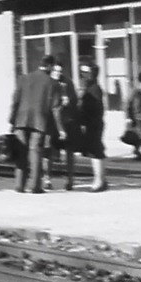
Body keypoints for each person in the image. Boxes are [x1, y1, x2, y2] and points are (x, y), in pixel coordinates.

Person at [8, 54, 60, 193]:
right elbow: (55, 107)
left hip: (21, 119)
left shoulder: (24, 79)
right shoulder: (53, 83)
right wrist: (59, 129)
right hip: (39, 121)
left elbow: (15, 101)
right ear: (49, 66)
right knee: (35, 152)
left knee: (21, 152)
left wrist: (12, 120)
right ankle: (35, 186)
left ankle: (19, 185)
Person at [75, 61, 109, 192]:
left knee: (95, 152)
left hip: (93, 124)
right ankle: (101, 179)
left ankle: (99, 181)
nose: (83, 77)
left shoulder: (93, 89)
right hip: (94, 123)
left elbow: (91, 109)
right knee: (95, 150)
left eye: (85, 74)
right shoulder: (93, 87)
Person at [48, 62, 81, 191]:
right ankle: (47, 178)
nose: (58, 73)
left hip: (67, 121)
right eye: (56, 71)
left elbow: (75, 100)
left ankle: (70, 180)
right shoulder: (48, 83)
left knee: (69, 152)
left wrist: (70, 101)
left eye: (60, 71)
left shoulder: (68, 82)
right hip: (51, 122)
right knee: (49, 153)